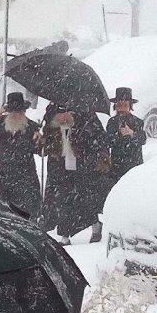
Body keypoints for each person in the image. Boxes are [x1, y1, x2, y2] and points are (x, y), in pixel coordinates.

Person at [37, 104, 110, 244]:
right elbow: (46, 139)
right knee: (62, 200)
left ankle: (95, 225)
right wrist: (46, 138)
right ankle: (65, 236)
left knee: (84, 199)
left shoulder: (86, 113)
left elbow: (99, 137)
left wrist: (78, 132)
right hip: (59, 165)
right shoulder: (51, 110)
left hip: (82, 165)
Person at [0, 92, 42, 219]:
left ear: (24, 112)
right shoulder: (1, 123)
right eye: (13, 112)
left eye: (19, 112)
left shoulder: (31, 126)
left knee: (25, 212)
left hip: (25, 175)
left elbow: (40, 151)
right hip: (3, 173)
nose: (16, 115)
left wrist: (40, 141)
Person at [105, 87, 146, 186]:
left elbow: (143, 139)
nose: (122, 108)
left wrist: (132, 134)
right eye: (119, 105)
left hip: (134, 165)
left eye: (125, 105)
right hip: (117, 166)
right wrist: (118, 135)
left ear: (130, 106)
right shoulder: (112, 122)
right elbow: (108, 141)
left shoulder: (138, 122)